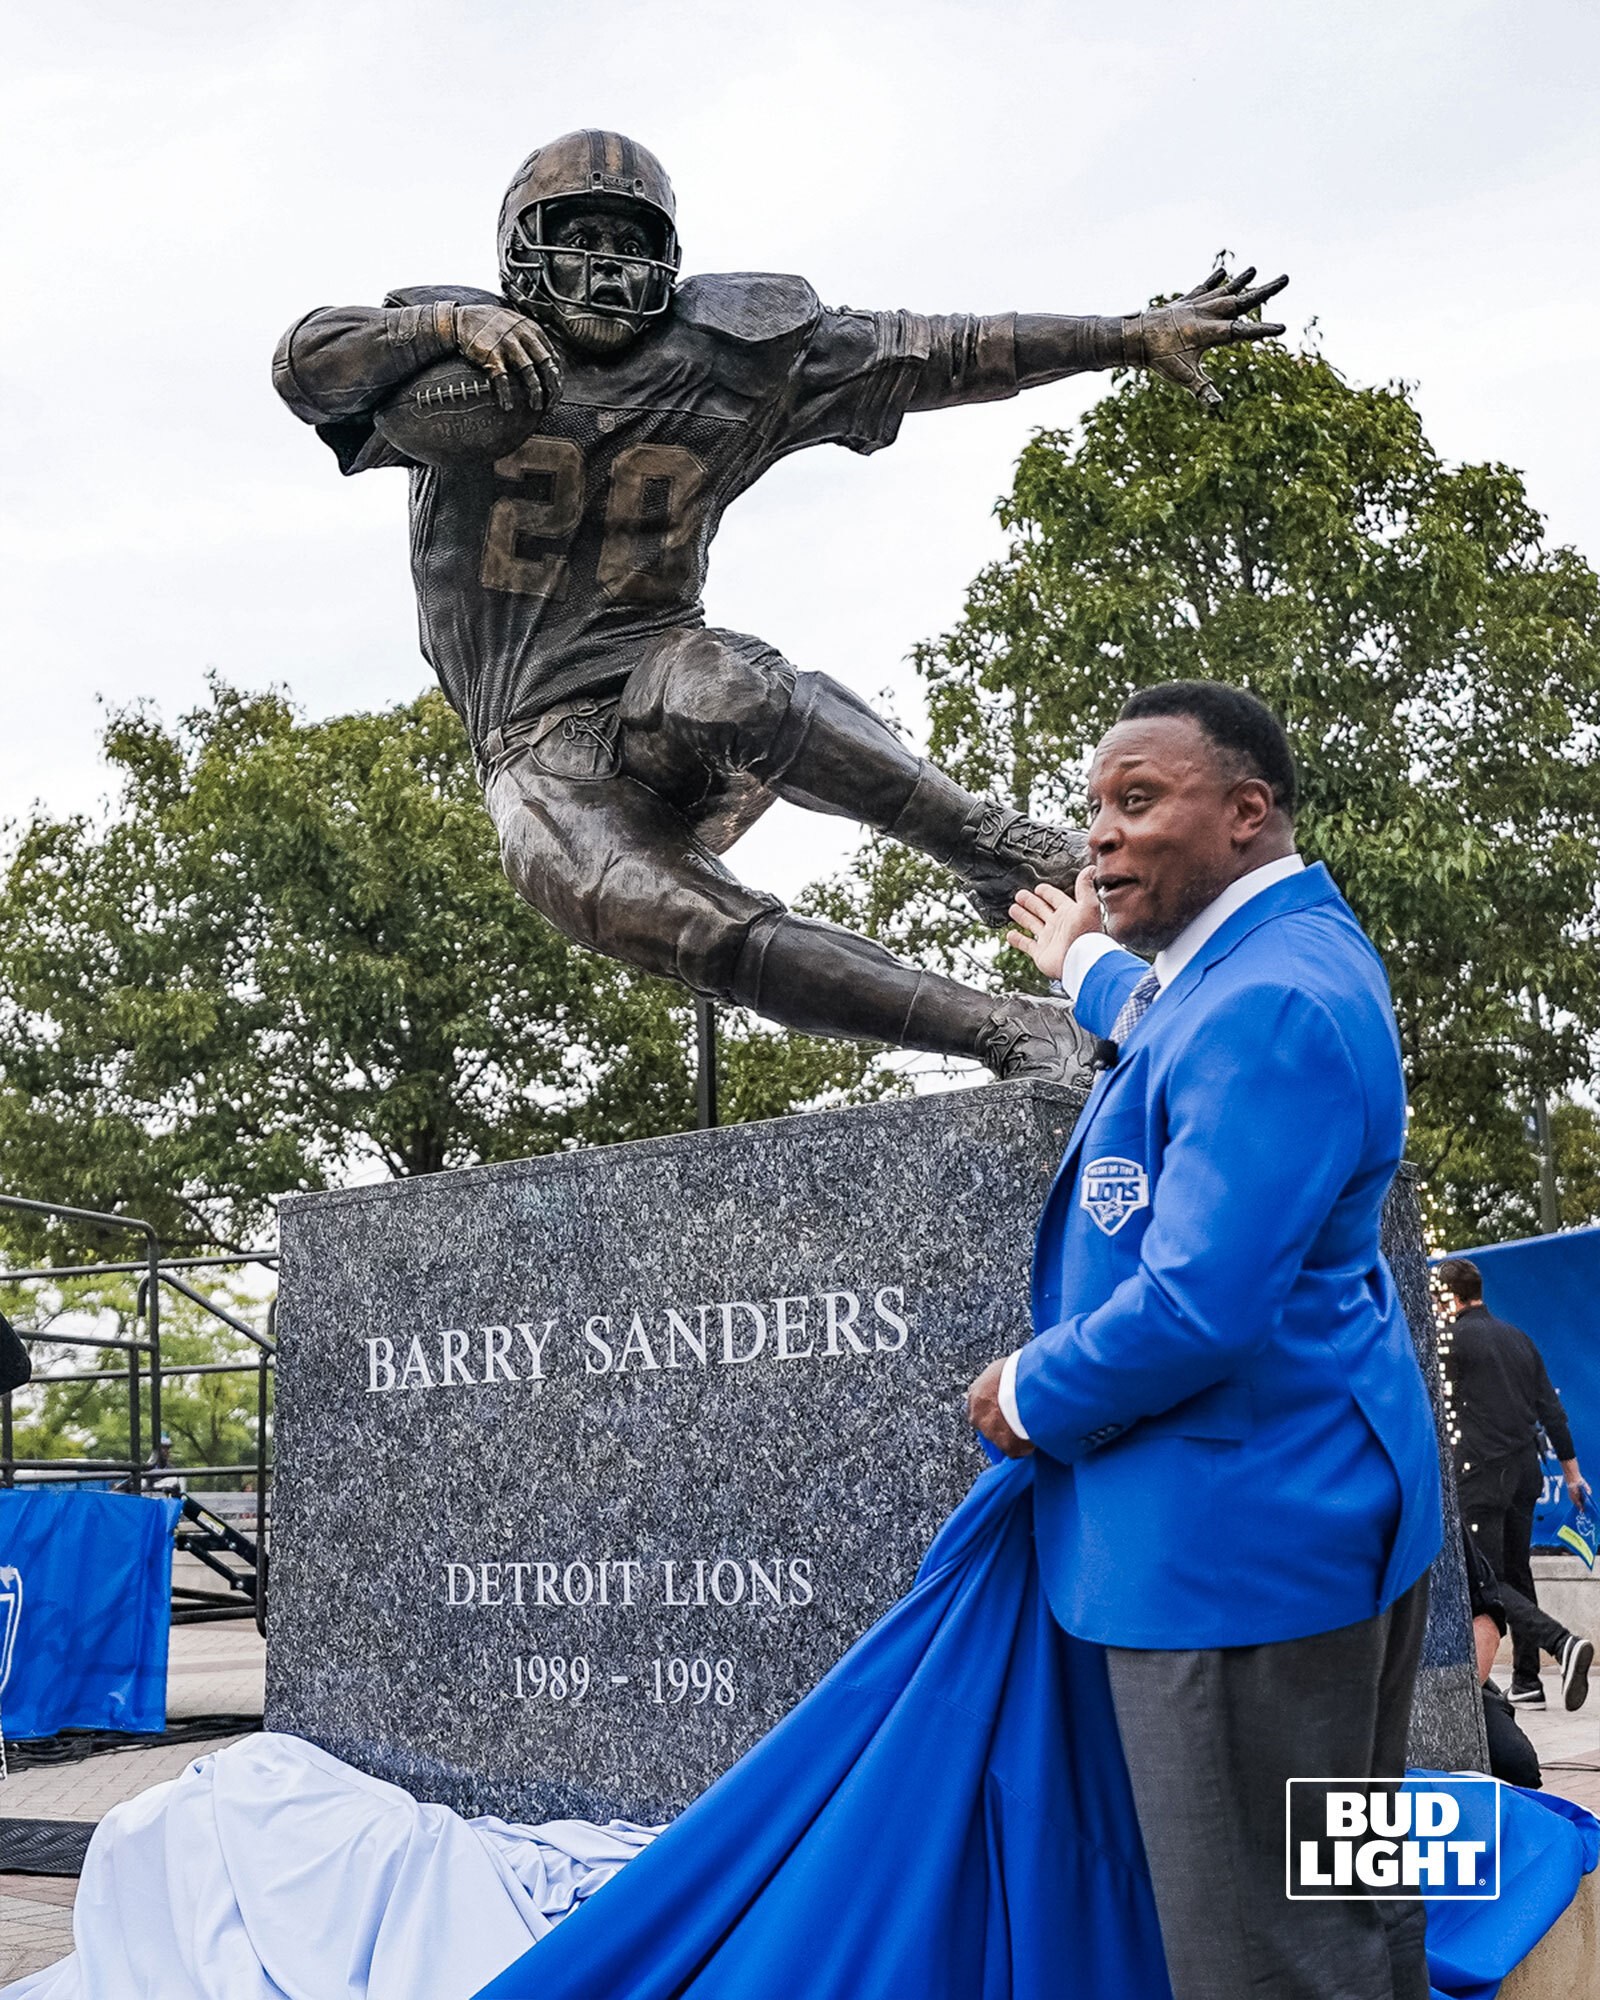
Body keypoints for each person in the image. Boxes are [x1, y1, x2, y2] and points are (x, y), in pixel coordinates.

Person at [272, 127, 1286, 1089]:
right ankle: (1000, 1026)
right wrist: (448, 326)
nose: (609, 266)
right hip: (536, 749)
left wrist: (1126, 337)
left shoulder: (723, 356)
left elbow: (940, 349)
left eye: (630, 243)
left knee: (722, 680)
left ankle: (993, 846)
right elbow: (305, 364)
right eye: (581, 239)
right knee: (693, 925)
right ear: (519, 254)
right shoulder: (463, 365)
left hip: (655, 681)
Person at [968, 680, 1444, 2000]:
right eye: (1092, 813)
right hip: (1319, 1511)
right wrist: (1081, 964)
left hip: (1243, 1552)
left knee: (1262, 1950)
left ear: (1248, 813)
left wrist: (1030, 1386)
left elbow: (1196, 1307)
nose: (1101, 839)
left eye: (1137, 802)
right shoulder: (1261, 967)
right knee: (1347, 1901)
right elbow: (1166, 1025)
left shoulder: (1269, 1004)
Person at [1437, 1255, 1593, 1710]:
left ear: (1450, 1295)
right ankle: (1527, 1681)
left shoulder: (1452, 1341)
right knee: (1517, 1572)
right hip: (1526, 1469)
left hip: (1482, 1472)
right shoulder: (1518, 1339)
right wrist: (1572, 1475)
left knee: (1485, 1581)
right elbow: (1552, 1411)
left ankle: (1561, 1643)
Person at [1462, 1528, 1543, 1789]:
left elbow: (1486, 1617)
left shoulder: (1443, 1519)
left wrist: (1457, 1698)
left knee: (1516, 1765)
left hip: (1447, 1683)